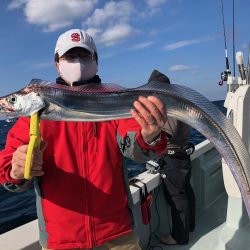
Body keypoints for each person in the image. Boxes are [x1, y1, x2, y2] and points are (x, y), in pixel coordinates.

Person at [0, 29, 168, 250]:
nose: (77, 62)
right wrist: (16, 171)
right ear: (57, 64)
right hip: (60, 242)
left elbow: (135, 148)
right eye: (70, 56)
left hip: (118, 235)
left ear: (96, 61)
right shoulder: (33, 115)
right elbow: (7, 170)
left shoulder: (114, 104)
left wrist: (151, 136)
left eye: (85, 56)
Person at [147, 70, 195, 245]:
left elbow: (169, 131)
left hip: (172, 158)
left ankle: (180, 237)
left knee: (177, 196)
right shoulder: (179, 104)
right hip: (183, 155)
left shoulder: (166, 107)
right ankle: (190, 226)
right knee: (186, 191)